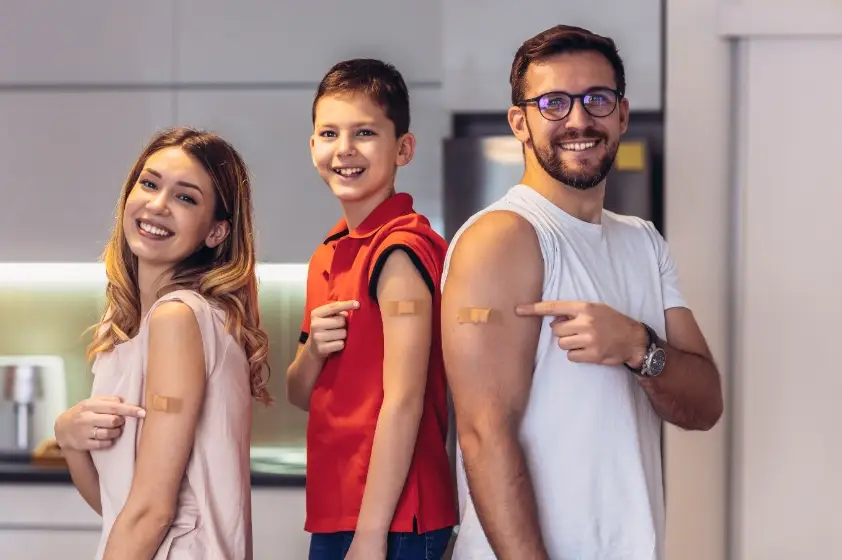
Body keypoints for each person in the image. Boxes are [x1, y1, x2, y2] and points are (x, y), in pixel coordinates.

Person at [440, 25, 724, 560]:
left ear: (621, 114)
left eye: (596, 99)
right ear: (519, 123)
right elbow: (484, 436)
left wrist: (640, 347)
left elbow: (705, 403)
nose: (578, 119)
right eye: (554, 103)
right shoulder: (502, 237)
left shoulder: (642, 242)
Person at [53, 126, 270, 560]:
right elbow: (119, 508)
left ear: (216, 232)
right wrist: (68, 440)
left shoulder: (178, 318)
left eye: (186, 198)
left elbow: (152, 513)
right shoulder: (129, 327)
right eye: (149, 183)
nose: (157, 205)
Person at [286, 58, 457, 560]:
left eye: (365, 132)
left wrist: (371, 533)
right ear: (312, 145)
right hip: (340, 508)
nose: (344, 150)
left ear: (403, 147)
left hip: (396, 518)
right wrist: (313, 351)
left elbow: (404, 400)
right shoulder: (330, 251)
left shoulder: (400, 250)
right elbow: (301, 394)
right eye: (329, 133)